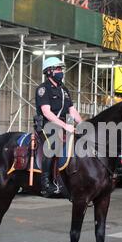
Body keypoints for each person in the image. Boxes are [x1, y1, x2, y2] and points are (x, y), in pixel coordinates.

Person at [35, 57, 83, 197]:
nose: (60, 71)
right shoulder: (43, 89)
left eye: (61, 69)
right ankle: (46, 183)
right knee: (53, 146)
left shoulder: (64, 89)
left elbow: (72, 110)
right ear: (49, 72)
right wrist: (65, 126)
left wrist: (83, 124)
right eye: (57, 69)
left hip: (63, 125)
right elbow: (46, 112)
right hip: (47, 125)